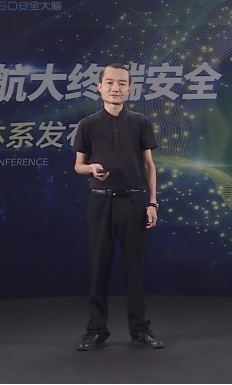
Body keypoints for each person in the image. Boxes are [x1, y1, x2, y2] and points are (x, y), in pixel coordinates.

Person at [73, 63, 164, 351]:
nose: (116, 88)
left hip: (134, 202)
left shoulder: (140, 122)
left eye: (122, 83)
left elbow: (149, 166)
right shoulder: (88, 124)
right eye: (110, 82)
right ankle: (96, 331)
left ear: (130, 89)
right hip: (100, 201)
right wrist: (91, 169)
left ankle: (140, 330)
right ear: (99, 87)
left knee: (134, 269)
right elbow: (78, 165)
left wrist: (152, 202)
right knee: (99, 267)